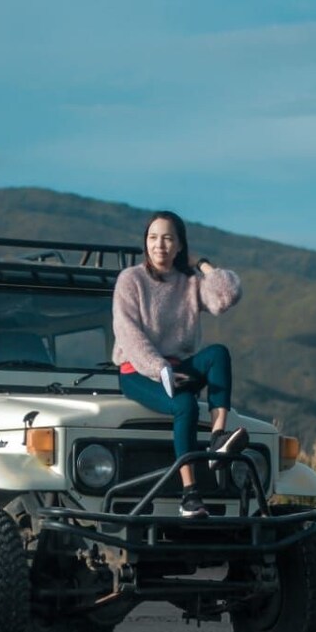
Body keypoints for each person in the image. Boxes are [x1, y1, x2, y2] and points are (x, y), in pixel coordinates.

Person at [112, 210, 247, 518]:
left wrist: (203, 265)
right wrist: (160, 370)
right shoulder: (130, 280)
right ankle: (190, 495)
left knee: (218, 354)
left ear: (179, 246)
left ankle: (218, 438)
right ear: (145, 243)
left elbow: (227, 296)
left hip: (177, 367)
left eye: (168, 238)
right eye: (153, 238)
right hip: (139, 371)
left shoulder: (189, 283)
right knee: (185, 404)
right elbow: (127, 331)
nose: (159, 245)